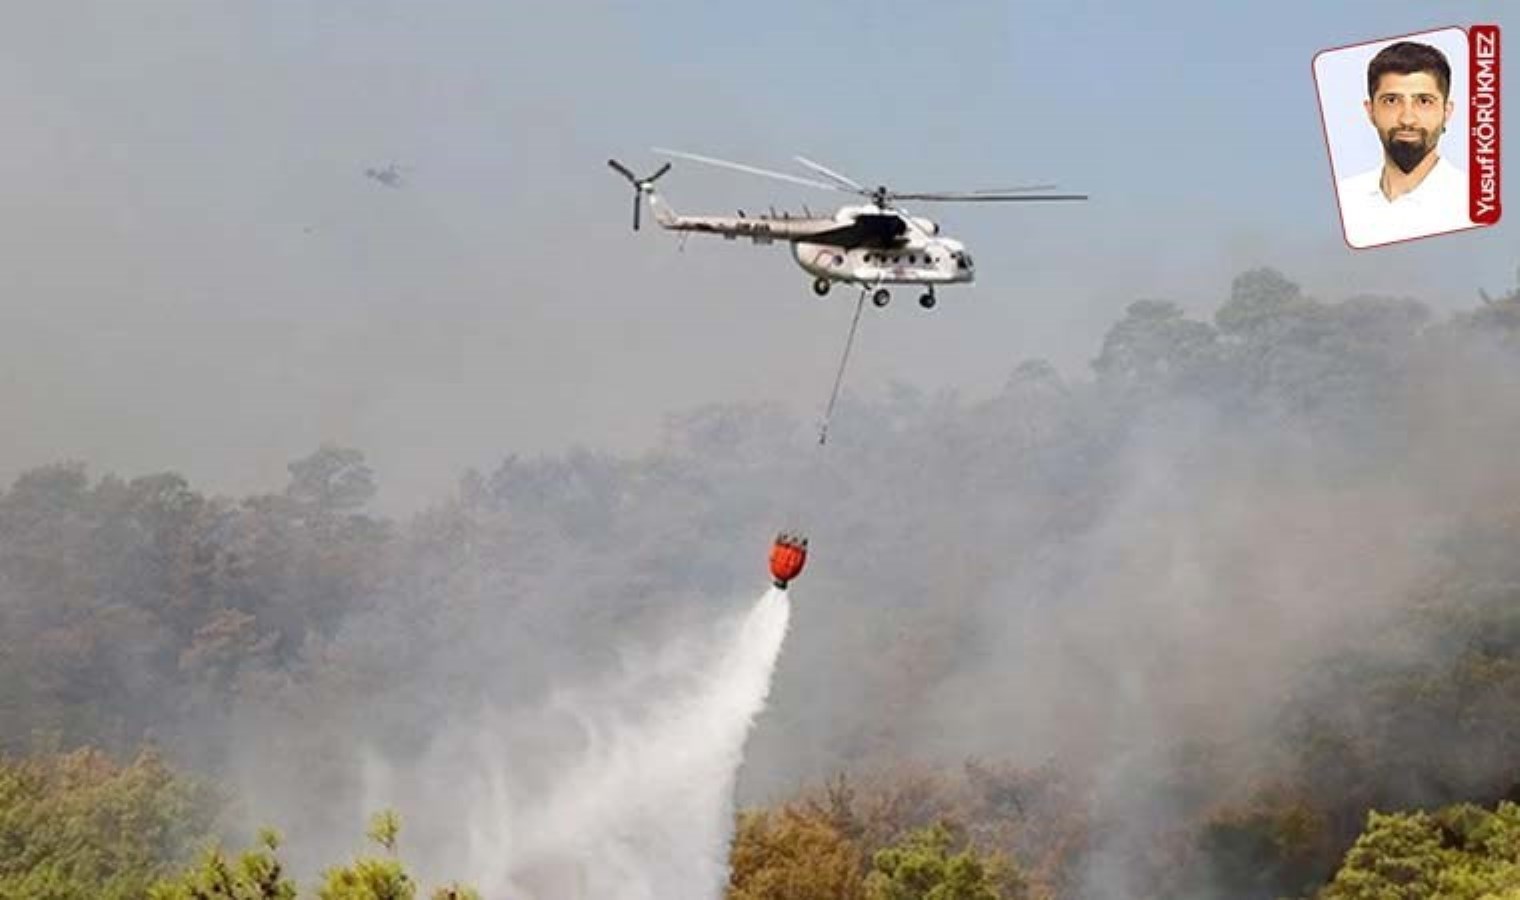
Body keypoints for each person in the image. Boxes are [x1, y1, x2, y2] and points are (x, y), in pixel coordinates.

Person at [1337, 41, 1471, 248]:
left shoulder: (1472, 204)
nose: (1407, 119)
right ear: (1370, 111)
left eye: (1424, 101)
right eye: (1391, 101)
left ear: (1447, 112)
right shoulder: (1344, 199)